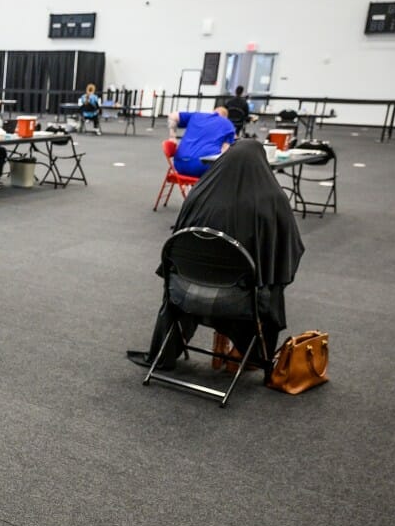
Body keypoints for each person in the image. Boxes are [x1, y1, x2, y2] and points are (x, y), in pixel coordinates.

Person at [127, 139, 304, 372]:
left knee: (219, 272)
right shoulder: (273, 202)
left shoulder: (199, 193)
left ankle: (186, 345)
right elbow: (289, 253)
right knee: (268, 284)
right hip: (238, 299)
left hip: (184, 292)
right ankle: (247, 353)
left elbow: (175, 249)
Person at [167, 106, 236, 178]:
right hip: (202, 167)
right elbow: (224, 152)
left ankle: (190, 187)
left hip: (179, 165)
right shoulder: (228, 124)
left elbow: (172, 116)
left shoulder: (196, 116)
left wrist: (172, 137)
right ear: (225, 117)